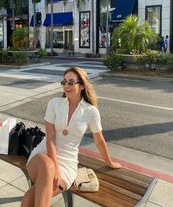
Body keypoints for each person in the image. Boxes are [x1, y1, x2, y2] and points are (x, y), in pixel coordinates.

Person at [21, 67, 121, 207]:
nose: (66, 86)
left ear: (81, 86)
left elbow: (99, 140)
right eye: (64, 82)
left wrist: (109, 162)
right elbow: (50, 138)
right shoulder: (54, 104)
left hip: (68, 164)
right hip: (42, 156)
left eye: (71, 82)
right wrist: (55, 168)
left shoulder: (91, 111)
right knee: (47, 166)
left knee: (28, 200)